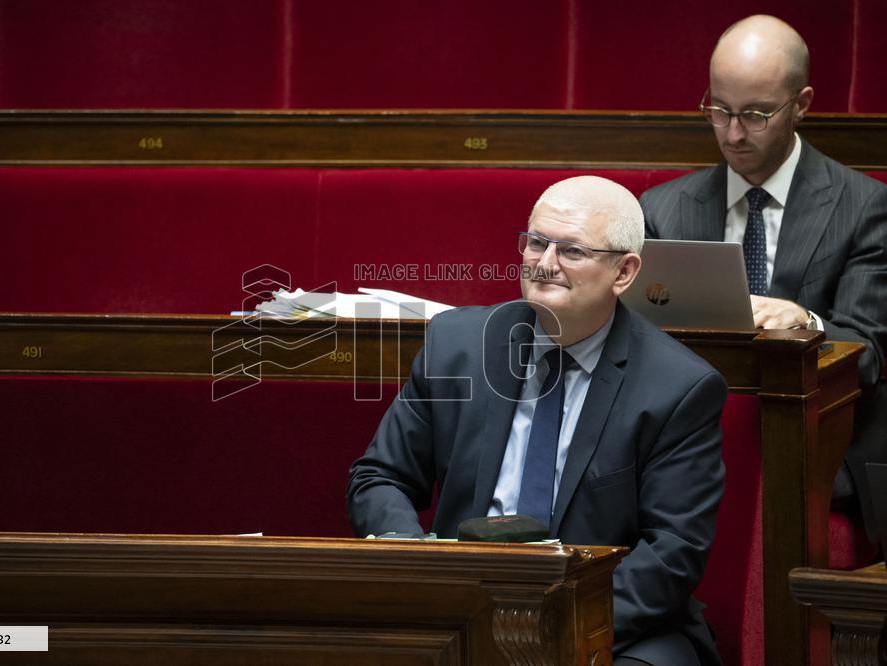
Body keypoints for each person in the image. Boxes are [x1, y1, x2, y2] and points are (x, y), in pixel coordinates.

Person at [348, 176, 727, 665]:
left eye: (571, 251)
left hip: (610, 621)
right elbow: (379, 477)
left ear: (624, 271)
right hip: (461, 608)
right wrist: (418, 565)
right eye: (536, 243)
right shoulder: (458, 344)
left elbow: (673, 552)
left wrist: (550, 623)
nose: (544, 264)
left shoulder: (677, 387)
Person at [640, 15, 887, 538]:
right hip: (683, 445)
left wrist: (807, 322)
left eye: (755, 114)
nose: (732, 133)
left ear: (802, 104)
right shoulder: (662, 210)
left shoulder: (865, 207)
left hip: (808, 443)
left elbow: (869, 355)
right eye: (718, 110)